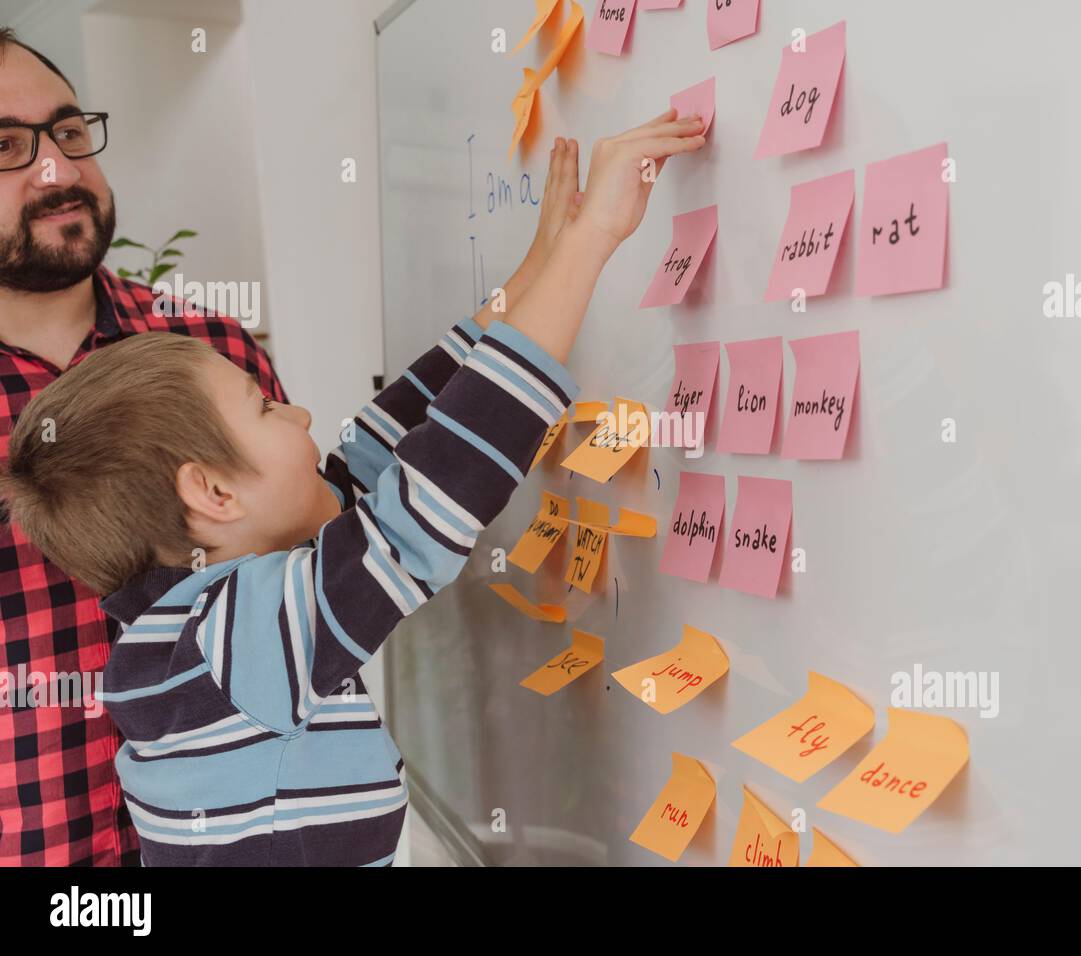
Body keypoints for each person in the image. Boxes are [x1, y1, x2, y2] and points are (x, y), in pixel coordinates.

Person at [1, 108, 706, 865]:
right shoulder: (235, 641)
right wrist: (590, 240)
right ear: (212, 494)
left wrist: (531, 276)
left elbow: (376, 455)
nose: (299, 410)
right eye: (265, 406)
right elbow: (429, 495)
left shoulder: (182, 629)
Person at [0, 27, 285, 866]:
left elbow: (307, 586)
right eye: (8, 148)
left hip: (244, 835)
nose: (58, 171)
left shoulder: (212, 351)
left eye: (69, 132)